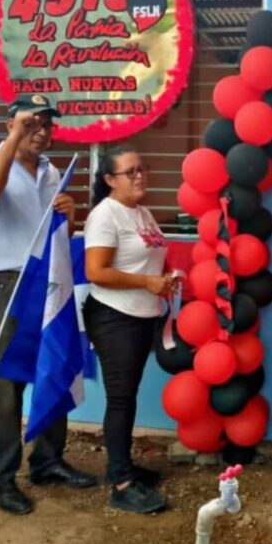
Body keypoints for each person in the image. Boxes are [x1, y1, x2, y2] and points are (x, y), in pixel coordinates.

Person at [0, 93, 97, 515]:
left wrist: (71, 212)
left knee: (52, 369)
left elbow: (54, 235)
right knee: (5, 387)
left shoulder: (51, 170)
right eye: (30, 124)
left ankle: (48, 460)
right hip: (2, 283)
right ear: (10, 126)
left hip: (46, 284)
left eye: (47, 126)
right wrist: (13, 141)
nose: (41, 132)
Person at [82, 146, 177, 514]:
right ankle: (122, 483)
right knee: (120, 398)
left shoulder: (143, 212)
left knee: (128, 395)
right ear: (109, 180)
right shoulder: (105, 215)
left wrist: (162, 281)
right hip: (114, 317)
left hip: (141, 316)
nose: (140, 176)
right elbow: (96, 272)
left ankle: (123, 465)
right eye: (130, 172)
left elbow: (149, 260)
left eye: (143, 168)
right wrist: (146, 283)